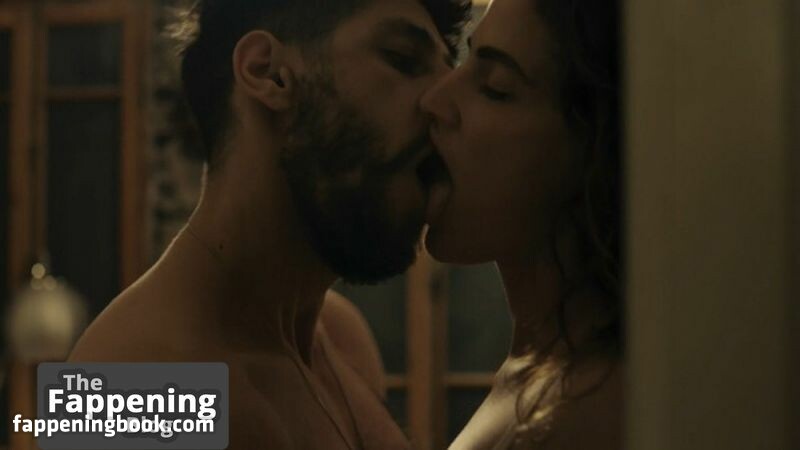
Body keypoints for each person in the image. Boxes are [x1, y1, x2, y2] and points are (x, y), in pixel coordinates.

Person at [69, 1, 469, 449]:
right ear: (267, 72)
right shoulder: (130, 389)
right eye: (403, 59)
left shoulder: (341, 338)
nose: (445, 105)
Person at [421, 0, 622, 448]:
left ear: (596, 153)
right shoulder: (543, 364)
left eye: (494, 87)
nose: (434, 101)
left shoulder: (587, 412)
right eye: (465, 62)